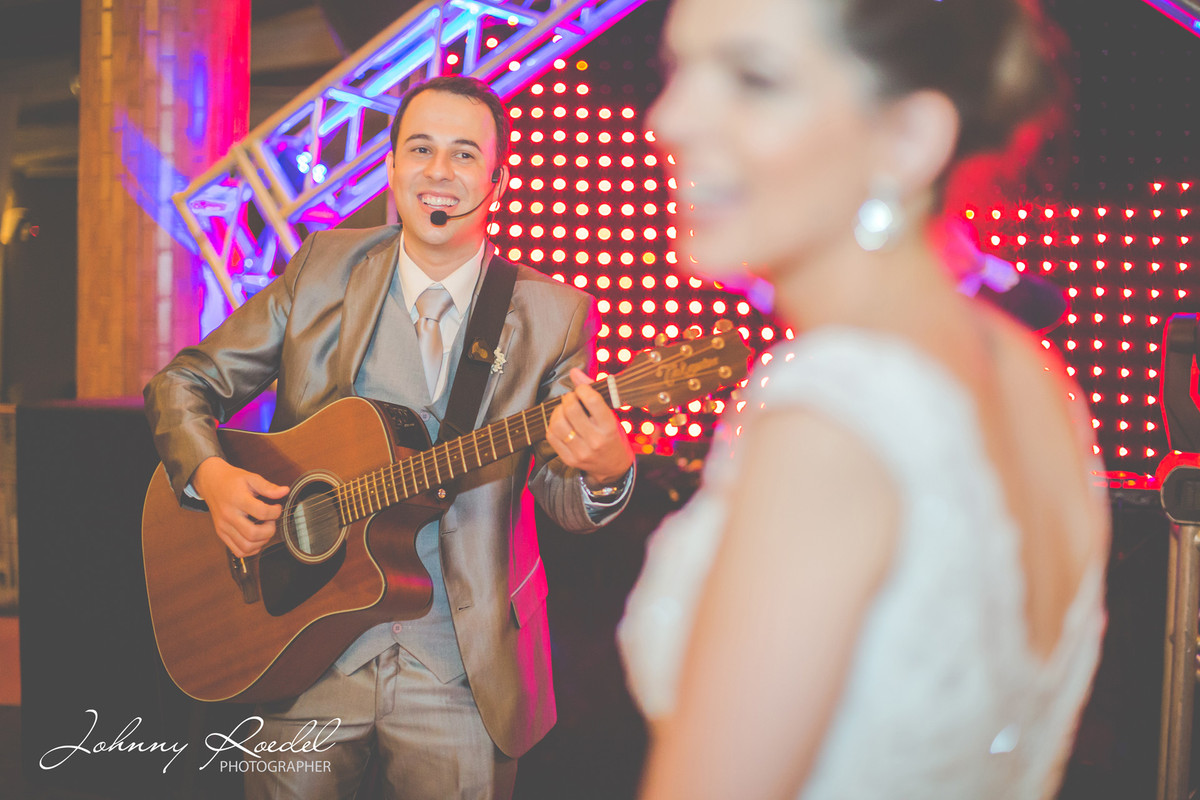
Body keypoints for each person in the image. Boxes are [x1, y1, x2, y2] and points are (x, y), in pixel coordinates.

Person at [616, 0, 1110, 798]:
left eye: (753, 78)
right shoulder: (1025, 372)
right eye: (678, 70)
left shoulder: (835, 415)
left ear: (908, 138)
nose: (667, 120)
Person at [144, 75, 635, 800]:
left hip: (460, 668)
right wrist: (212, 479)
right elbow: (181, 384)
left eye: (464, 154)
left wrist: (605, 471)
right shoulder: (321, 269)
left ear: (498, 181)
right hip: (299, 646)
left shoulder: (551, 314)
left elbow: (562, 493)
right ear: (391, 168)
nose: (440, 172)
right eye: (420, 149)